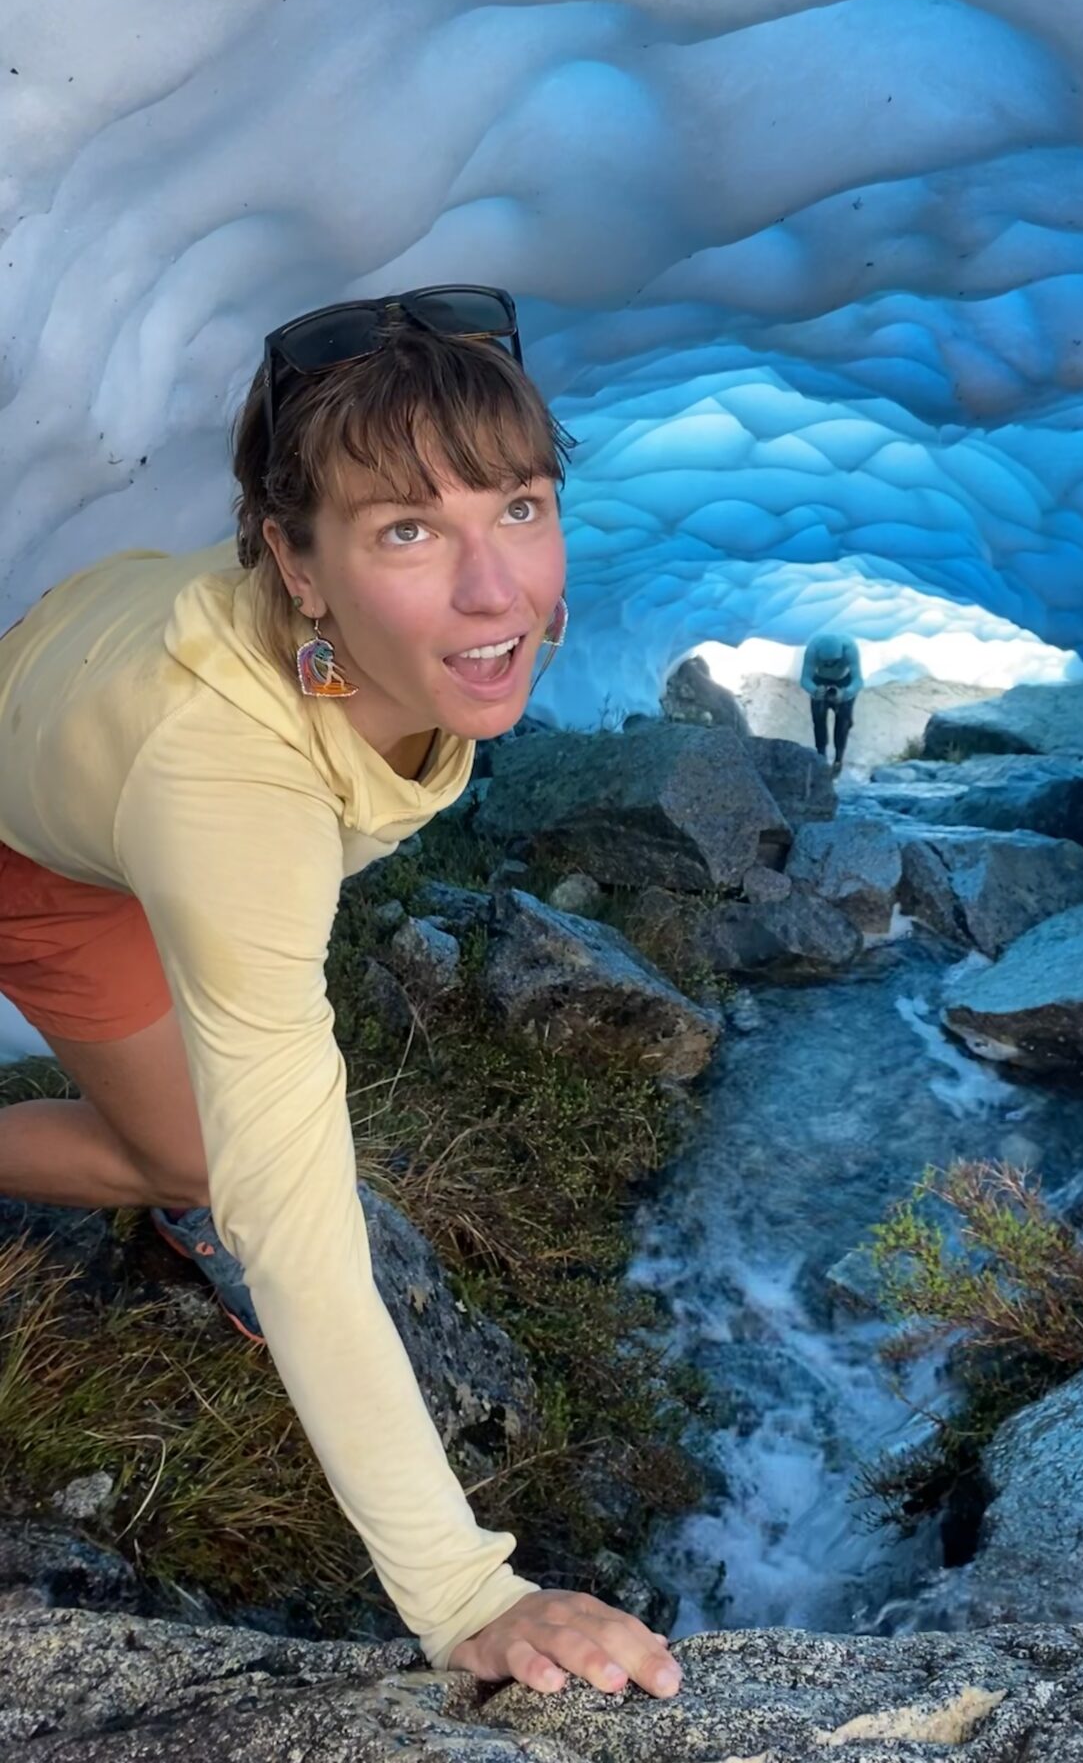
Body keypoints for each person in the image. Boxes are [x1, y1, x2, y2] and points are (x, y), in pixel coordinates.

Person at [0, 286, 683, 1701]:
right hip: (42, 841)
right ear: (295, 568)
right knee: (192, 1160)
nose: (497, 590)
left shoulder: (409, 639)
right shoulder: (227, 784)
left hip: (83, 691)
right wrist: (463, 1590)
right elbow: (293, 1208)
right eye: (408, 531)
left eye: (520, 506)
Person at [800, 630, 862, 773]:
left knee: (843, 722)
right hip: (819, 681)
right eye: (826, 662)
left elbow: (858, 680)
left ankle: (838, 758)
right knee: (819, 719)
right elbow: (805, 679)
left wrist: (846, 693)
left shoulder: (850, 649)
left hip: (844, 682)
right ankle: (821, 754)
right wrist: (814, 690)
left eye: (833, 662)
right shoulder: (812, 649)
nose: (829, 664)